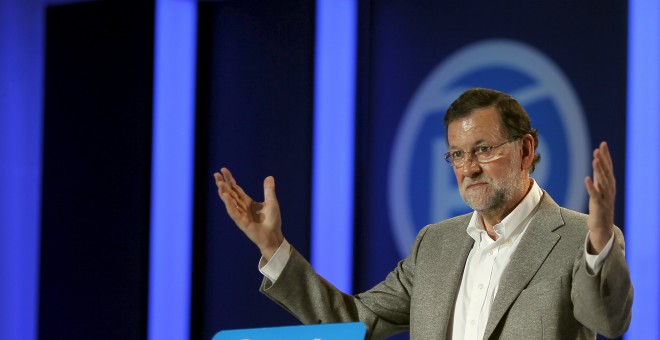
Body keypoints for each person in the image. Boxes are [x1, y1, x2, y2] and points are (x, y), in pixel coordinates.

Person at [214, 88, 633, 339]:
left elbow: (608, 322)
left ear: (525, 150)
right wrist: (273, 246)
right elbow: (354, 322)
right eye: (456, 155)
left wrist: (598, 244)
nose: (468, 168)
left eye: (483, 150)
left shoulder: (579, 237)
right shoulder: (435, 244)